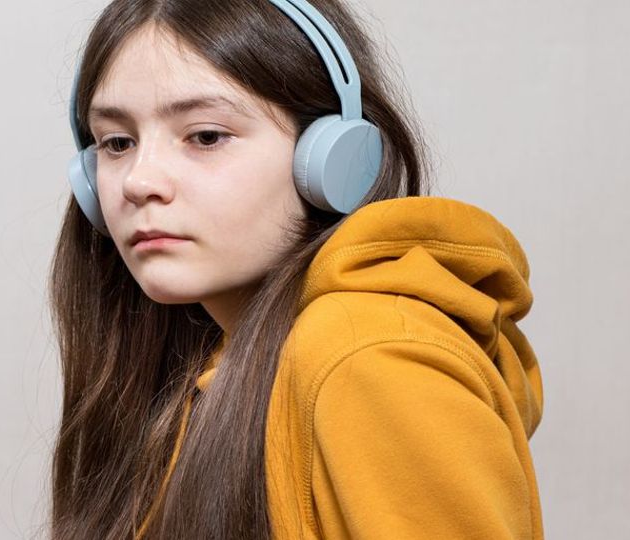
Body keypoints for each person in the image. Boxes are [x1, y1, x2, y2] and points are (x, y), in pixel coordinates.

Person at [47, 0, 545, 538]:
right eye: (117, 143)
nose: (138, 181)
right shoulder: (218, 363)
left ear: (329, 158)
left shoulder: (366, 358)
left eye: (206, 136)